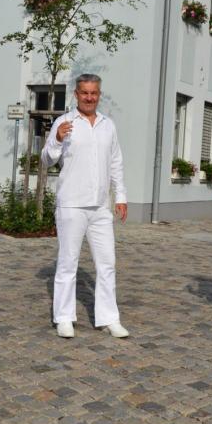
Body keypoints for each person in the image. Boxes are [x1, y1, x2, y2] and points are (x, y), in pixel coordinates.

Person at [41, 74, 129, 339]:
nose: (89, 97)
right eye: (85, 93)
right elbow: (46, 160)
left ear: (99, 94)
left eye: (94, 93)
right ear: (76, 94)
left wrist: (120, 196)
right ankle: (64, 318)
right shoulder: (64, 122)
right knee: (68, 263)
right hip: (71, 204)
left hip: (100, 206)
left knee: (107, 263)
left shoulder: (107, 125)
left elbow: (116, 162)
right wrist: (57, 139)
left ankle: (109, 318)